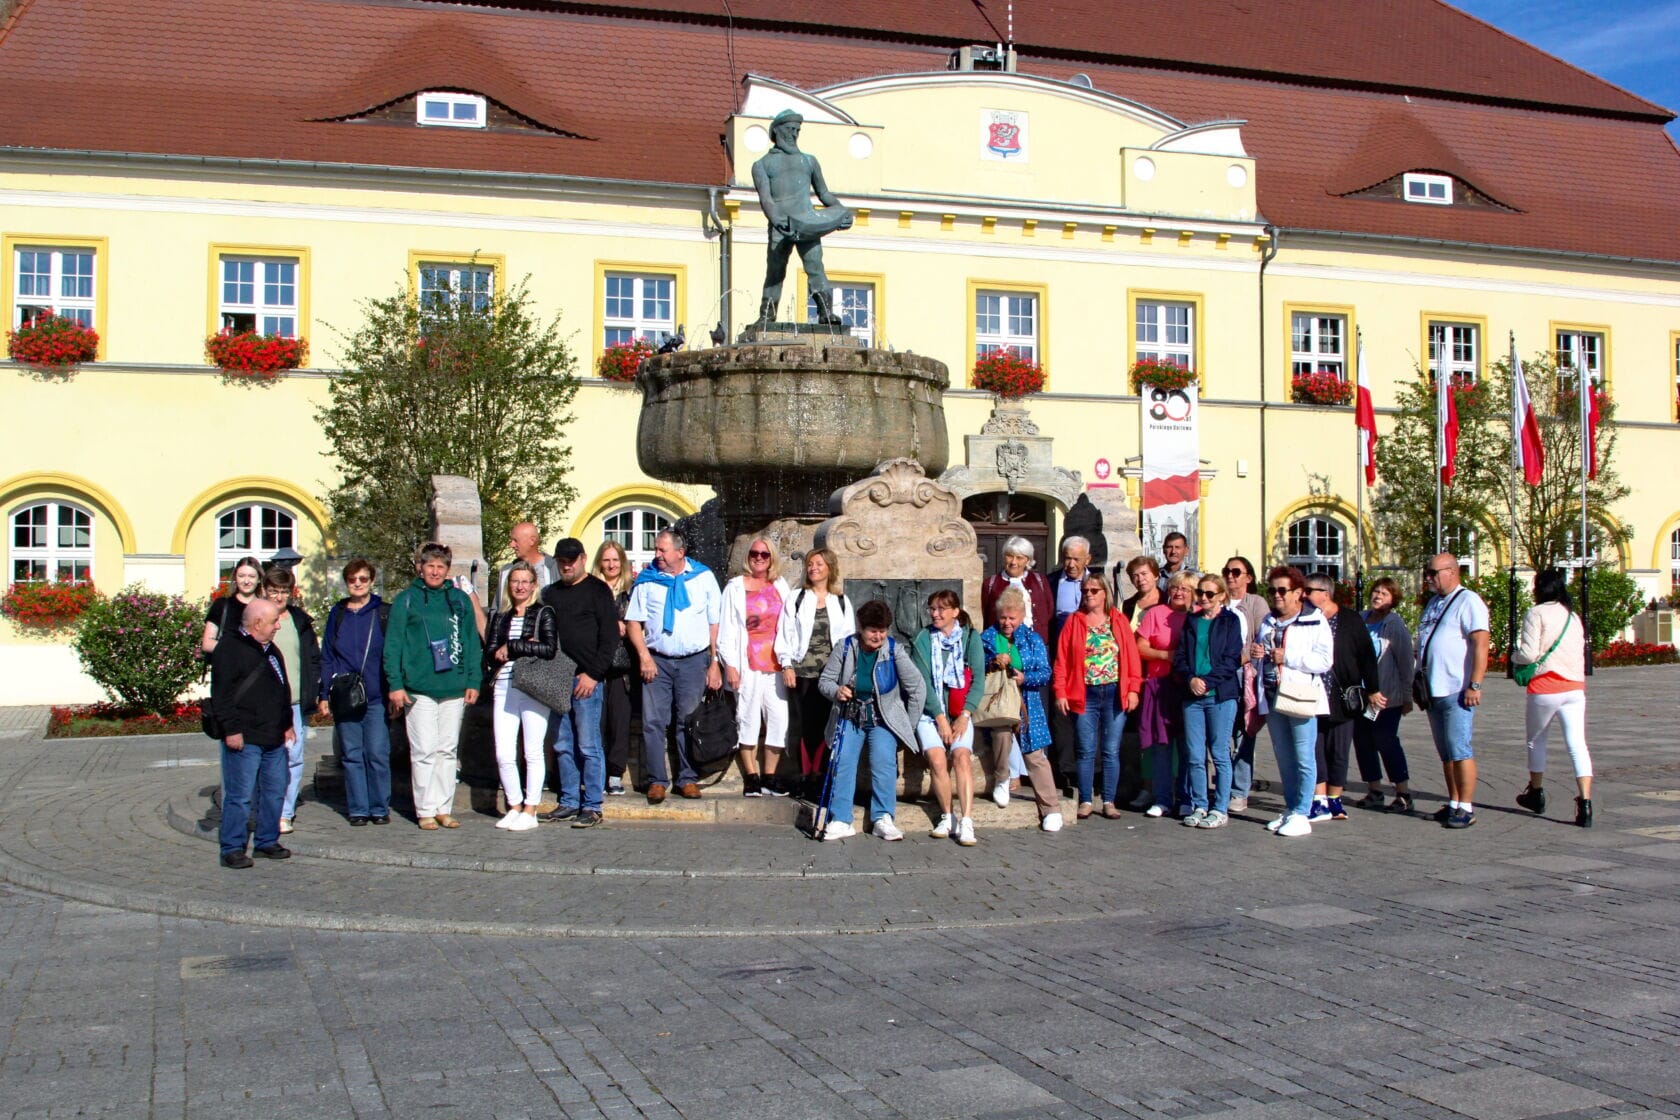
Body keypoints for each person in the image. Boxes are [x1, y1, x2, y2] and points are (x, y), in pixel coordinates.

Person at [384, 541, 482, 830]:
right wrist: (396, 684)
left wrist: (474, 679)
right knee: (424, 750)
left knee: (447, 750)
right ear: (420, 567)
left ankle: (443, 807)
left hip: (453, 685)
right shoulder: (407, 600)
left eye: (441, 566)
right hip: (419, 688)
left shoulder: (460, 600)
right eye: (430, 566)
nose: (435, 571)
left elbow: (471, 642)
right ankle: (425, 808)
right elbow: (394, 644)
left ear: (447, 570)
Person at [625, 529, 723, 803]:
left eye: (662, 551)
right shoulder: (647, 580)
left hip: (694, 661)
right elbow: (634, 622)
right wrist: (644, 657)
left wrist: (714, 662)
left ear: (680, 553)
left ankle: (687, 778)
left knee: (688, 721)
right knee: (653, 722)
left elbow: (715, 622)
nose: (656, 555)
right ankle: (656, 780)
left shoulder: (703, 578)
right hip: (657, 660)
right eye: (656, 549)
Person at [816, 599, 925, 842]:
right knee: (842, 762)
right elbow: (825, 680)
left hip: (882, 718)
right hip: (850, 715)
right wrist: (837, 691)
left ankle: (883, 818)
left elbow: (917, 687)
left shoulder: (894, 650)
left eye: (883, 631)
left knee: (884, 763)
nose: (878, 636)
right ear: (861, 628)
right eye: (873, 630)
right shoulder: (845, 647)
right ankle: (842, 819)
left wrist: (907, 724)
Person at [538, 538, 620, 826]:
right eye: (562, 561)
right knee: (562, 743)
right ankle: (569, 800)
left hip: (588, 679)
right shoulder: (551, 593)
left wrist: (594, 674)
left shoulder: (598, 590)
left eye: (572, 560)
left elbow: (610, 638)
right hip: (559, 678)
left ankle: (593, 804)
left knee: (588, 744)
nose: (567, 565)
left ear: (583, 559)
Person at [750, 109, 855, 327]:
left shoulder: (809, 161)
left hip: (808, 223)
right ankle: (767, 315)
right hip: (781, 226)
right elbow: (766, 199)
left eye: (797, 130)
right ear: (776, 131)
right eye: (790, 129)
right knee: (775, 271)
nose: (794, 134)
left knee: (815, 265)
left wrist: (840, 211)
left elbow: (824, 194)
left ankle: (826, 311)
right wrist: (778, 220)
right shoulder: (762, 165)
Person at [211, 598, 296, 868]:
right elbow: (221, 696)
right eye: (273, 621)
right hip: (245, 737)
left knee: (274, 791)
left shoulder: (271, 650)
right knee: (240, 795)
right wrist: (231, 730)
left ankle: (266, 841)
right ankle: (232, 848)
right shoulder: (230, 648)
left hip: (273, 736)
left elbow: (282, 688)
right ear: (257, 623)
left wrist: (287, 723)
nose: (278, 626)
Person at [1253, 566, 1334, 838]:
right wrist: (1257, 652)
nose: (1276, 595)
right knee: (1284, 756)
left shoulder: (1315, 620)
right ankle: (1291, 808)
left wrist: (1287, 657)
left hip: (1300, 696)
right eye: (1272, 590)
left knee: (1303, 756)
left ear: (1298, 593)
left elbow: (1324, 661)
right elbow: (1261, 654)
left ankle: (1303, 810)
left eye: (1282, 590)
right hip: (1273, 694)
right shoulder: (1268, 620)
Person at [1054, 573, 1142, 820]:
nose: (1089, 594)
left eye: (1094, 590)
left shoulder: (1118, 620)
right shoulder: (1074, 621)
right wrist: (1060, 692)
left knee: (1111, 750)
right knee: (1085, 749)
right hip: (1085, 693)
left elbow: (1132, 658)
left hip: (1114, 692)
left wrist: (1133, 689)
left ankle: (1109, 800)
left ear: (1105, 593)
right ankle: (1085, 799)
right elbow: (1061, 661)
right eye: (1085, 591)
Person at [1513, 568, 1594, 827]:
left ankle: (1536, 793)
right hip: (1574, 688)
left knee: (1537, 742)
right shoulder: (1573, 616)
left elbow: (1528, 654)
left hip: (1545, 687)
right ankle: (1586, 803)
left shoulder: (1535, 613)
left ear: (1538, 588)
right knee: (1577, 745)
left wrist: (1514, 658)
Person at [481, 561, 558, 831]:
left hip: (533, 685)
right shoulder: (501, 616)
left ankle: (531, 808)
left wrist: (512, 646)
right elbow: (491, 651)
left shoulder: (543, 613)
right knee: (504, 751)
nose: (520, 586)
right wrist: (523, 646)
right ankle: (513, 805)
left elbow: (549, 648)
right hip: (504, 684)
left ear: (534, 585)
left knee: (532, 750)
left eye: (526, 581)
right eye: (516, 581)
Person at [1416, 552, 1489, 830]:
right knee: (1446, 751)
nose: (1429, 578)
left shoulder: (1468, 601)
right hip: (1433, 688)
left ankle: (1467, 806)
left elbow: (1480, 644)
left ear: (1452, 571)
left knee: (1460, 749)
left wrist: (1475, 683)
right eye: (1428, 573)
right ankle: (1454, 801)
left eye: (1434, 573)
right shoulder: (1434, 603)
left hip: (1456, 688)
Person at [775, 547, 855, 799]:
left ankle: (820, 775)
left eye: (819, 564)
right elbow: (785, 632)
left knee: (825, 724)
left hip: (829, 674)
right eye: (810, 564)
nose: (813, 568)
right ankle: (804, 774)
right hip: (802, 671)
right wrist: (786, 664)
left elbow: (848, 638)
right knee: (802, 725)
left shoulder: (840, 600)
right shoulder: (797, 597)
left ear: (829, 568)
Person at [1303, 573, 1383, 822]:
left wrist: (1373, 689)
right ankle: (1319, 799)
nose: (1303, 595)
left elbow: (1366, 656)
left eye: (1308, 590)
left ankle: (1335, 799)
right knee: (1314, 748)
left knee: (1338, 749)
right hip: (1312, 694)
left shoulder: (1350, 620)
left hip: (1342, 695)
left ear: (1325, 594)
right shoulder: (1305, 618)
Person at [317, 558, 391, 825]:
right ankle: (358, 808)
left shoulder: (383, 612)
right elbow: (327, 656)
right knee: (352, 755)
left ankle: (380, 807)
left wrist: (395, 689)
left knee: (377, 753)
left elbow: (392, 654)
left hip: (376, 695)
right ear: (346, 582)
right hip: (345, 696)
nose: (357, 584)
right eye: (352, 580)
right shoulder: (338, 615)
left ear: (371, 581)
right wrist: (324, 693)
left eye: (362, 579)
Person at [718, 538, 794, 797]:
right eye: (754, 553)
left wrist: (789, 661)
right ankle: (751, 776)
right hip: (746, 662)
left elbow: (789, 624)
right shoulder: (735, 587)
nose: (759, 558)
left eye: (764, 554)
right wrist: (729, 664)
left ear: (772, 558)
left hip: (775, 664)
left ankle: (769, 777)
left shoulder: (780, 585)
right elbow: (727, 629)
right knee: (747, 717)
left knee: (779, 720)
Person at [910, 589, 986, 844]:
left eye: (942, 609)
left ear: (955, 611)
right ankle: (947, 815)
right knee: (937, 759)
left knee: (962, 756)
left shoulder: (970, 638)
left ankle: (966, 820)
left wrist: (964, 715)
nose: (935, 613)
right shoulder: (922, 639)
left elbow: (977, 680)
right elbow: (923, 684)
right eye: (932, 608)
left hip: (960, 712)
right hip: (930, 712)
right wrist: (940, 719)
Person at [982, 588, 1062, 830]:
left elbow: (1045, 673)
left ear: (1021, 616)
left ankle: (1050, 808)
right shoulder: (986, 637)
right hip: (997, 700)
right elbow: (976, 666)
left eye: (1012, 618)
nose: (1007, 623)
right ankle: (1002, 779)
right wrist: (994, 663)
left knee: (1035, 755)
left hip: (1027, 700)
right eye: (1003, 617)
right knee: (1002, 735)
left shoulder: (1032, 639)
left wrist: (1024, 677)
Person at [1173, 573, 1243, 828]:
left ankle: (1220, 807)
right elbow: (1180, 656)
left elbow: (1232, 658)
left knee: (1220, 753)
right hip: (1192, 696)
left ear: (1222, 595)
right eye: (1201, 592)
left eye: (1209, 594)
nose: (1203, 597)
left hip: (1221, 696)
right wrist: (1191, 678)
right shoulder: (1192, 621)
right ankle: (1199, 804)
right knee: (1194, 754)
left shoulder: (1230, 621)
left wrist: (1208, 682)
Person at [259, 566, 320, 836]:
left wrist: (317, 691)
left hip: (295, 700)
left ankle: (285, 812)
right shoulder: (257, 619)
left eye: (284, 591)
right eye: (274, 591)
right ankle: (266, 809)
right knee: (267, 757)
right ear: (265, 591)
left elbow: (313, 659)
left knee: (293, 757)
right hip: (265, 703)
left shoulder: (300, 621)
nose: (279, 596)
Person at [1353, 577, 1416, 814]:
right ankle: (1374, 789)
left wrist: (1407, 695)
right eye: (1376, 591)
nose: (1378, 596)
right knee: (1363, 741)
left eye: (1385, 593)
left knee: (1385, 740)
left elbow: (1405, 661)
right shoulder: (1361, 619)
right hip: (1361, 695)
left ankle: (1403, 792)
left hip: (1386, 696)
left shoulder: (1394, 625)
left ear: (1393, 599)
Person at [1135, 571, 1195, 817]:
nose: (1178, 592)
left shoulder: (1197, 617)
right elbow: (1140, 646)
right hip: (1159, 684)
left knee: (1187, 745)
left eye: (1185, 589)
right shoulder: (1157, 613)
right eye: (1174, 588)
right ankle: (1161, 798)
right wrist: (1166, 655)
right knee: (1161, 745)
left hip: (1188, 686)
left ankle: (1185, 797)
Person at [1221, 556, 1269, 812]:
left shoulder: (1256, 603)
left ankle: (1239, 790)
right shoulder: (1219, 600)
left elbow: (1261, 640)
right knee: (1220, 733)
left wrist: (1244, 657)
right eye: (1227, 571)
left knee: (1244, 732)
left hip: (1244, 674)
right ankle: (1222, 785)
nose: (1231, 576)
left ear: (1248, 577)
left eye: (1236, 572)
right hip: (1222, 674)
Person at [1046, 536, 1093, 792]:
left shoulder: (1097, 583)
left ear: (1088, 559)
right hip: (1061, 657)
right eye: (1067, 558)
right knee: (1061, 714)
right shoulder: (1051, 582)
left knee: (1088, 713)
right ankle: (1066, 770)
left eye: (1076, 558)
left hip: (1091, 660)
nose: (1071, 564)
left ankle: (1091, 772)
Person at [592, 540, 635, 797]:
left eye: (615, 560)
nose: (611, 565)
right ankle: (596, 771)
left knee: (619, 721)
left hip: (622, 666)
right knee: (595, 723)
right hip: (595, 664)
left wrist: (624, 627)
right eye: (606, 560)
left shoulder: (630, 591)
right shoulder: (592, 590)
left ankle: (615, 773)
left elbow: (637, 624)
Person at [980, 535, 1052, 645]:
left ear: (1028, 560)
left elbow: (1049, 610)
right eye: (1009, 556)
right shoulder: (991, 583)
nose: (1014, 562)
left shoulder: (1040, 581)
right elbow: (985, 614)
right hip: (1002, 644)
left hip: (1035, 645)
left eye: (1019, 558)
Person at [489, 521, 559, 612]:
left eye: (515, 540)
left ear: (532, 541)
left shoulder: (555, 568)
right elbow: (497, 609)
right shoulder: (506, 571)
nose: (511, 545)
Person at [201, 555, 262, 656]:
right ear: (235, 578)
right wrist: (239, 650)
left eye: (251, 576)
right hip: (227, 668)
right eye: (241, 576)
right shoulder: (222, 605)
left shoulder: (265, 608)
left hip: (256, 669)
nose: (246, 581)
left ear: (259, 579)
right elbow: (207, 643)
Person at [1120, 556, 1162, 622]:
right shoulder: (1125, 606)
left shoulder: (1168, 601)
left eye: (1144, 574)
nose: (1140, 579)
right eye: (1135, 576)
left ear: (1156, 576)